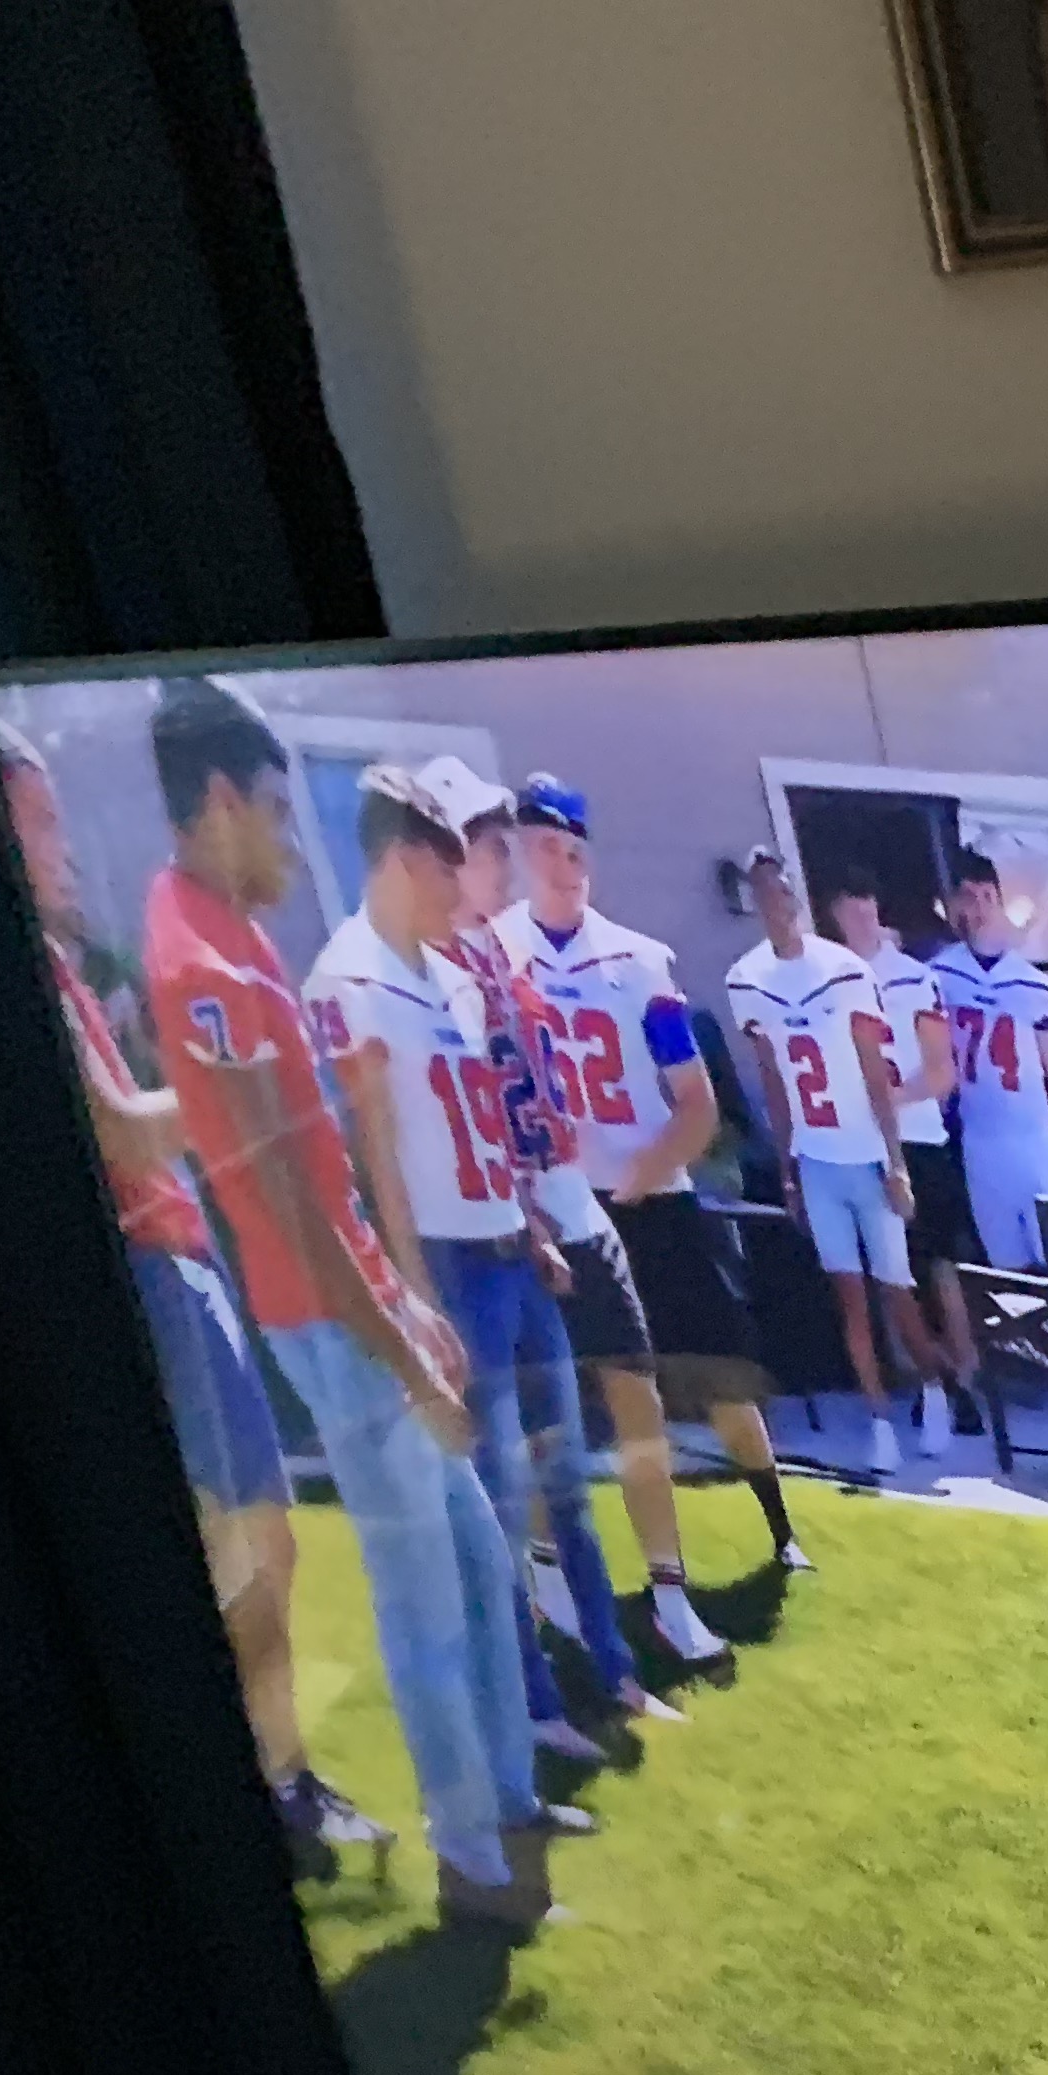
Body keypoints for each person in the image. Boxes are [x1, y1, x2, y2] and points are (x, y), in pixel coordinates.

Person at [140, 686, 560, 1928]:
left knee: (476, 1564)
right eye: (278, 811)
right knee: (427, 1602)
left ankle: (508, 1810)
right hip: (332, 1330)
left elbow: (324, 1188)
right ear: (222, 800)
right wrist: (409, 1354)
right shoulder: (201, 961)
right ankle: (474, 1865)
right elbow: (290, 1216)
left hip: (362, 1308)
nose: (289, 836)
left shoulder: (229, 928)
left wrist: (412, 1310)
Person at [0, 714, 389, 1884]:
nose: (65, 845)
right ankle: (276, 1789)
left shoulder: (63, 963)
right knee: (249, 1547)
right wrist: (240, 1092)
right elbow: (124, 1132)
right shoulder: (35, 964)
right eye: (41, 821)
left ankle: (283, 1780)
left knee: (261, 1545)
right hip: (159, 1270)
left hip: (182, 1266)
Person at [419, 757, 681, 1735]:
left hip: (538, 1233)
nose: (511, 866)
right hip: (475, 1254)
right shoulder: (425, 973)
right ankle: (533, 1701)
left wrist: (550, 1222)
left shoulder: (498, 958)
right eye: (495, 848)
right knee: (506, 1485)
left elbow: (523, 1107)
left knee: (567, 1475)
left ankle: (614, 1673)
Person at [500, 775, 808, 1597]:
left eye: (574, 850)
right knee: (554, 1395)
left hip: (654, 1201)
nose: (564, 866)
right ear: (520, 854)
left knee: (716, 1372)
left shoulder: (640, 962)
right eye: (546, 849)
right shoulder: (491, 956)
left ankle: (781, 1529)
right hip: (557, 1209)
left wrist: (644, 1172)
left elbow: (697, 1100)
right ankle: (556, 1584)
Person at [726, 847, 934, 1478]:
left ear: (798, 895)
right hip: (816, 1157)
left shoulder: (844, 970)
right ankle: (879, 1421)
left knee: (897, 1291)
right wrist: (787, 1167)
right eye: (764, 892)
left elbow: (874, 1071)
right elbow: (773, 1078)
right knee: (849, 1297)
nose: (777, 903)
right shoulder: (748, 979)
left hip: (866, 1151)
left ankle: (934, 1388)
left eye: (783, 889)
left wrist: (896, 1160)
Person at [830, 865, 974, 1452]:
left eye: (868, 905)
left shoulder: (915, 978)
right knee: (892, 1274)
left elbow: (941, 1071)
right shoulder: (829, 980)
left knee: (939, 1267)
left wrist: (889, 1098)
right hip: (860, 1145)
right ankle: (923, 1380)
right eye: (850, 908)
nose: (861, 917)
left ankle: (965, 1378)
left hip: (919, 1138)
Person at [930, 851, 1048, 1275]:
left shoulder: (1034, 984)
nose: (976, 909)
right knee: (1006, 1268)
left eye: (984, 897)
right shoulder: (939, 975)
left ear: (997, 899)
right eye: (966, 898)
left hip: (1032, 1137)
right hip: (979, 1137)